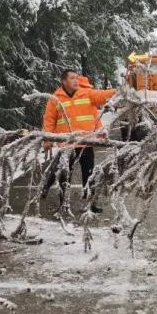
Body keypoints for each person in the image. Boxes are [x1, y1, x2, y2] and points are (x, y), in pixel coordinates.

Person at [41, 69, 116, 209]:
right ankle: (63, 204)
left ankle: (90, 206)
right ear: (63, 81)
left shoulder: (86, 93)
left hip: (86, 143)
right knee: (65, 176)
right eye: (72, 78)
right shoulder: (55, 98)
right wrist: (47, 139)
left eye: (77, 77)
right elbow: (49, 120)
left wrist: (119, 91)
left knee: (89, 176)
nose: (76, 80)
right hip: (67, 145)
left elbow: (102, 95)